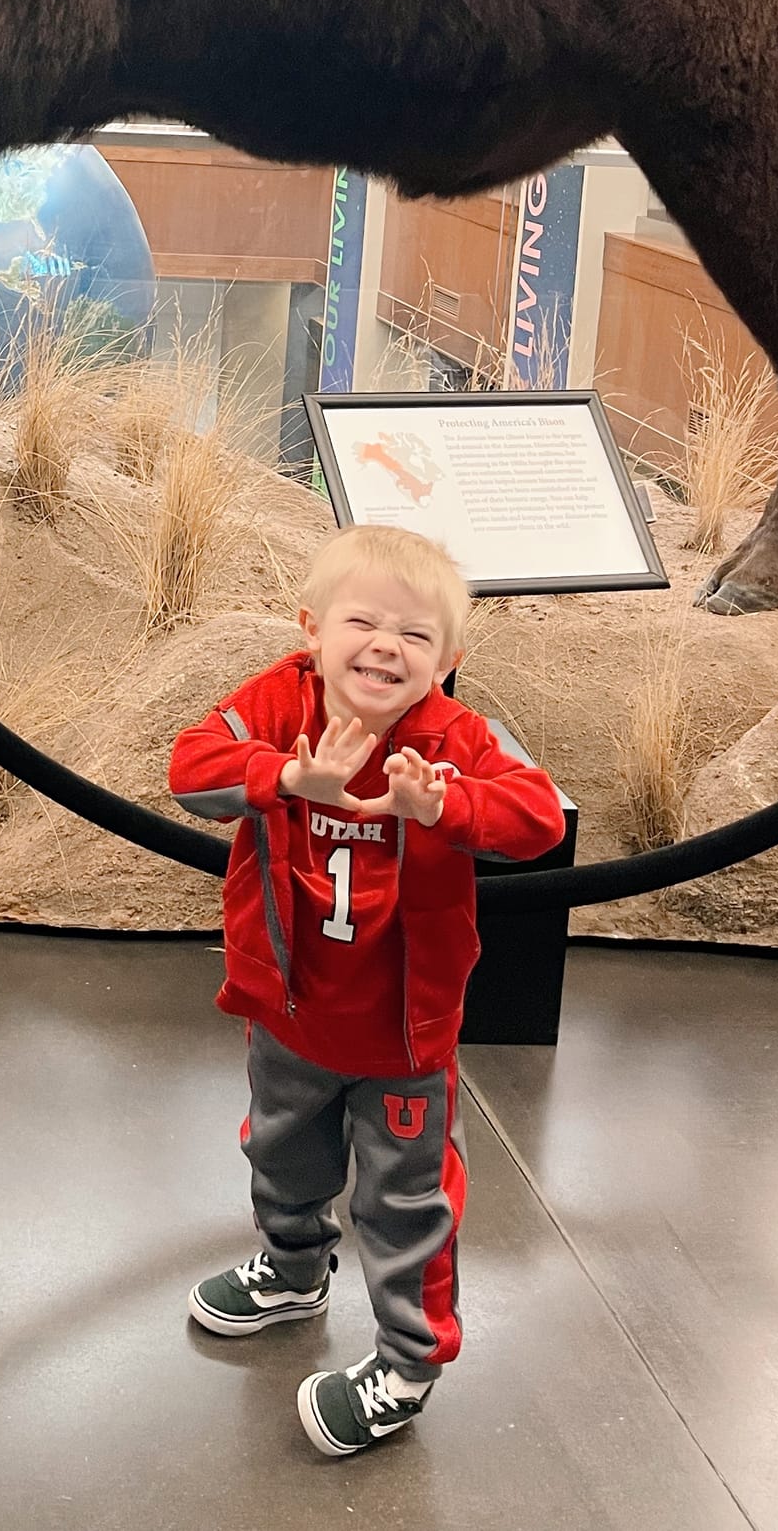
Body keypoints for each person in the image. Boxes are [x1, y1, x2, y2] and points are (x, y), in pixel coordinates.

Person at [168, 521, 563, 1461]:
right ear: (312, 628)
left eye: (415, 634)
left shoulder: (454, 738)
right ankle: (293, 1269)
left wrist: (447, 804)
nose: (386, 645)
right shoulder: (279, 702)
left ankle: (408, 1364)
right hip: (289, 1012)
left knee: (405, 1203)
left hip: (401, 1038)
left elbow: (539, 815)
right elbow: (190, 764)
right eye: (363, 621)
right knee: (281, 1152)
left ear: (447, 658)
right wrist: (281, 776)